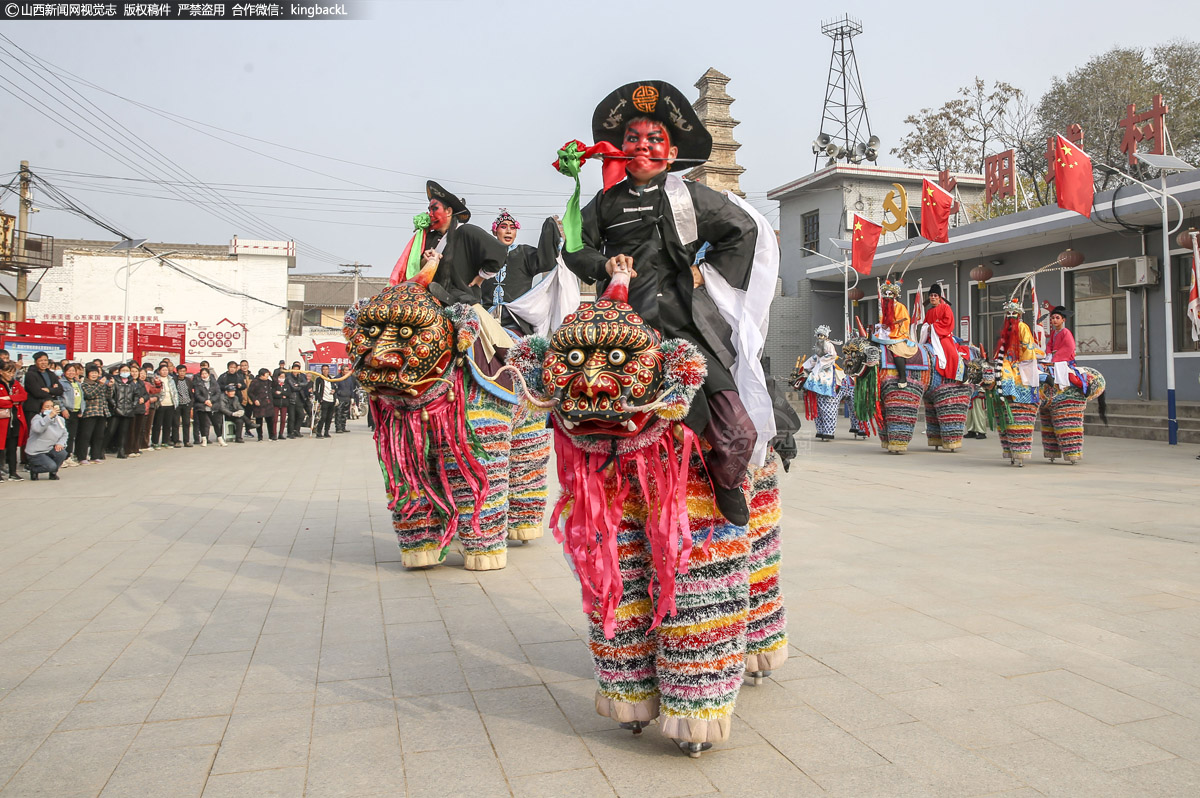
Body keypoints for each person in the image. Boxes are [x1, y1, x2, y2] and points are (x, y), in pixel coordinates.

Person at [561, 81, 769, 525]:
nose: (642, 147)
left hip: (684, 326)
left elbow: (743, 230)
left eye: (654, 139)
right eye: (632, 138)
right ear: (620, 149)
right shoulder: (604, 203)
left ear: (671, 153)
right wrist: (603, 265)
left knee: (736, 429)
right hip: (622, 331)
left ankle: (726, 482)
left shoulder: (690, 196)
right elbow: (576, 250)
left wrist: (704, 273)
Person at [394, 181, 507, 306]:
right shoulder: (428, 238)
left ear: (448, 211)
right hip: (431, 304)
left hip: (463, 303)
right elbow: (415, 272)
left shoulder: (465, 232)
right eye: (429, 210)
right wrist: (427, 261)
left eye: (435, 209)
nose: (430, 214)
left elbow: (499, 252)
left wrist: (481, 277)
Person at [488, 210, 563, 333]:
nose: (508, 231)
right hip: (486, 317)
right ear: (495, 231)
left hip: (516, 320)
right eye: (503, 227)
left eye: (512, 228)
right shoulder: (484, 253)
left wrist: (549, 229)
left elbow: (546, 261)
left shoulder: (524, 254)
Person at [874, 280, 918, 389]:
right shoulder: (884, 307)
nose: (888, 296)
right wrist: (881, 326)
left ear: (894, 295)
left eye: (890, 294)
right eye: (886, 294)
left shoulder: (900, 307)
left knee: (897, 351)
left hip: (897, 335)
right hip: (885, 334)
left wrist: (890, 328)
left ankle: (903, 377)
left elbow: (904, 322)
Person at [25, 398, 69, 480]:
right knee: (51, 466)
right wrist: (49, 417)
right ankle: (33, 469)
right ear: (41, 409)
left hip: (49, 448)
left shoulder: (59, 419)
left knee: (62, 453)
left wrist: (60, 443)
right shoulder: (37, 418)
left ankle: (53, 473)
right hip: (36, 452)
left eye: (51, 406)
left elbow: (65, 433)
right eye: (47, 407)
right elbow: (38, 429)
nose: (50, 409)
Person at [924, 283, 960, 382]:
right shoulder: (929, 312)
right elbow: (925, 324)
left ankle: (952, 378)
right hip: (931, 338)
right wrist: (926, 327)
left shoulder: (945, 308)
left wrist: (934, 327)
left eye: (935, 295)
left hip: (943, 337)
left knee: (953, 355)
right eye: (931, 295)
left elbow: (948, 322)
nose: (933, 297)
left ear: (939, 297)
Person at [1, 361, 29, 481]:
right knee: (1, 448)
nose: (11, 374)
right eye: (8, 372)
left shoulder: (15, 383)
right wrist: (14, 402)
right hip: (2, 421)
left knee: (13, 448)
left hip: (15, 420)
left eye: (12, 372)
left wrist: (10, 398)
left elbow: (24, 396)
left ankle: (13, 472)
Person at [77, 365, 111, 463]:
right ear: (87, 374)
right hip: (89, 412)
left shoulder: (100, 383)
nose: (94, 375)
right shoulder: (85, 384)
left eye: (96, 373)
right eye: (92, 373)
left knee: (99, 435)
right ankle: (82, 457)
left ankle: (95, 456)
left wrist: (109, 386)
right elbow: (89, 395)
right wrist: (100, 385)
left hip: (101, 412)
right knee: (86, 435)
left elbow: (108, 396)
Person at [23, 351, 64, 429]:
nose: (43, 362)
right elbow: (37, 392)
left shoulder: (51, 374)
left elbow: (60, 390)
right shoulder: (30, 375)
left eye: (45, 360)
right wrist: (53, 392)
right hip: (34, 408)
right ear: (36, 362)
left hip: (49, 409)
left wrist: (49, 390)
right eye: (41, 360)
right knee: (34, 431)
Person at [58, 362, 85, 467]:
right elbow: (59, 398)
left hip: (75, 412)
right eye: (69, 371)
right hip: (66, 412)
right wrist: (63, 409)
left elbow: (81, 398)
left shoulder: (77, 383)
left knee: (71, 436)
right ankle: (62, 457)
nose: (71, 373)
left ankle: (68, 456)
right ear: (64, 372)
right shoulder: (61, 383)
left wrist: (81, 410)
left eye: (73, 371)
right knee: (63, 435)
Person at [108, 365, 139, 459]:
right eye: (123, 370)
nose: (125, 372)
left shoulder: (131, 382)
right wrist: (115, 405)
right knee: (110, 431)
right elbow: (110, 395)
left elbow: (136, 395)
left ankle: (121, 450)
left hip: (128, 410)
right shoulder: (114, 381)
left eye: (127, 370)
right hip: (116, 410)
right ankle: (102, 448)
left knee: (123, 432)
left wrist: (133, 405)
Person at [151, 364, 180, 449]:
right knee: (157, 424)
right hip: (160, 404)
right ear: (159, 371)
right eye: (163, 370)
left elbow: (174, 391)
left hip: (170, 404)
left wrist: (176, 402)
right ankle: (155, 442)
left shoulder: (171, 379)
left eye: (166, 370)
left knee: (167, 425)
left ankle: (165, 441)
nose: (165, 372)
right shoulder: (155, 379)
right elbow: (155, 391)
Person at [126, 364, 150, 458]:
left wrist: (143, 399)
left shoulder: (141, 383)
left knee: (138, 430)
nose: (134, 373)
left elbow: (146, 395)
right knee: (130, 430)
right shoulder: (128, 382)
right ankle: (129, 449)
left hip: (140, 409)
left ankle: (136, 448)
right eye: (132, 371)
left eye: (136, 372)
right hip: (131, 409)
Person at [193, 365, 218, 446]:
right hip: (200, 405)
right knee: (199, 423)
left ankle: (207, 438)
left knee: (209, 423)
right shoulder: (198, 383)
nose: (204, 375)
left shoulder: (213, 382)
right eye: (202, 374)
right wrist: (205, 401)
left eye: (205, 373)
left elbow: (217, 393)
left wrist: (211, 401)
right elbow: (197, 394)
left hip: (211, 405)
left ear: (208, 374)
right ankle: (198, 439)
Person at [248, 368, 274, 441]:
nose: (267, 377)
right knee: (259, 420)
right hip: (259, 403)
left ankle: (271, 436)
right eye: (266, 375)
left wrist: (272, 376)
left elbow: (275, 384)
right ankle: (260, 436)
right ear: (261, 375)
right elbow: (250, 392)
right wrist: (254, 400)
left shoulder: (268, 382)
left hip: (268, 403)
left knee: (270, 420)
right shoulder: (255, 382)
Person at [173, 364, 195, 447]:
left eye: (184, 371)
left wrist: (191, 403)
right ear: (177, 372)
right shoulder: (174, 380)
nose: (182, 373)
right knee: (176, 423)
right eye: (180, 371)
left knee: (186, 423)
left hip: (187, 404)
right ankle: (176, 440)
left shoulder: (188, 380)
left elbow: (191, 392)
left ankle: (186, 441)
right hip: (177, 404)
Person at [141, 363, 162, 450]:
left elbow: (156, 390)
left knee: (146, 427)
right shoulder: (133, 383)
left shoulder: (147, 383)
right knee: (138, 428)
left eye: (144, 374)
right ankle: (135, 446)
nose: (142, 375)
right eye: (141, 373)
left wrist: (157, 382)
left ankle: (144, 444)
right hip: (136, 408)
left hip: (147, 407)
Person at [286, 363, 309, 438]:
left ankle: (297, 430)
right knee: (291, 417)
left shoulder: (301, 376)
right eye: (294, 370)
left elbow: (306, 383)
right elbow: (293, 388)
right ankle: (290, 432)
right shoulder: (289, 377)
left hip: (299, 398)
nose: (296, 371)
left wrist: (298, 384)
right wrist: (300, 386)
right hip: (292, 398)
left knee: (301, 415)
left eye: (297, 370)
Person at [312, 365, 336, 438]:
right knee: (323, 417)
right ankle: (319, 432)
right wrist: (320, 399)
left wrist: (334, 391)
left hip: (331, 400)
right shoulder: (319, 379)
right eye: (324, 369)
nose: (325, 371)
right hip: (324, 400)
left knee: (329, 417)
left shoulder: (331, 379)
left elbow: (335, 387)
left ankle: (326, 432)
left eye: (326, 369)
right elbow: (316, 390)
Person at [270, 371, 293, 440]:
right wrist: (281, 395)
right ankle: (274, 434)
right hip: (276, 404)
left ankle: (281, 433)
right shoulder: (275, 385)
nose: (281, 378)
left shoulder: (287, 385)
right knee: (275, 419)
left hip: (284, 404)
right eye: (280, 377)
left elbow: (288, 393)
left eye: (283, 377)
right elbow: (273, 393)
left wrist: (281, 393)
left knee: (283, 420)